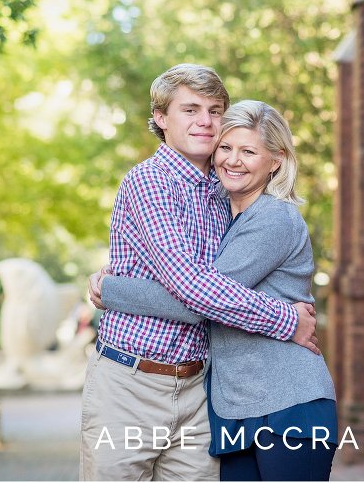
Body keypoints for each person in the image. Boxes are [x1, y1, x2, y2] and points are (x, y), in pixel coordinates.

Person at [81, 65, 319, 481]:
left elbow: (209, 292)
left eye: (215, 110)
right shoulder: (150, 182)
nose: (205, 121)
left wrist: (114, 289)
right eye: (190, 110)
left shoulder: (226, 192)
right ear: (161, 117)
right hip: (130, 385)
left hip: (199, 391)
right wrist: (285, 319)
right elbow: (192, 288)